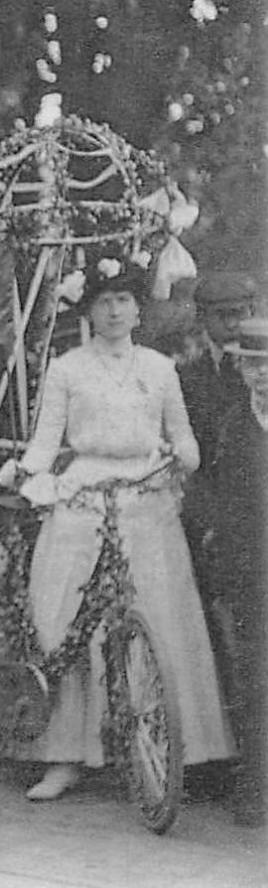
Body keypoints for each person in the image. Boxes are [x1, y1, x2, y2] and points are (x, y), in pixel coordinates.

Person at [0, 256, 232, 801]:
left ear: (137, 309)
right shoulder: (67, 368)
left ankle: (166, 750)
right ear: (88, 310)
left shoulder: (159, 367)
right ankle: (65, 756)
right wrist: (27, 471)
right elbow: (46, 438)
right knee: (68, 618)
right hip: (82, 496)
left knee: (157, 614)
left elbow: (182, 435)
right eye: (103, 302)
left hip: (145, 499)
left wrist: (185, 457)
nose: (114, 312)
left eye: (124, 301)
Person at [188, 316, 268, 826]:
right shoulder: (233, 422)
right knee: (255, 678)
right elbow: (208, 490)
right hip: (251, 569)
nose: (260, 376)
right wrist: (218, 536)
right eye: (252, 366)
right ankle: (257, 786)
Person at [180, 272, 258, 474]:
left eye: (238, 313)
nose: (231, 324)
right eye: (221, 315)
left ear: (252, 312)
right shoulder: (186, 375)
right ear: (202, 317)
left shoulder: (263, 370)